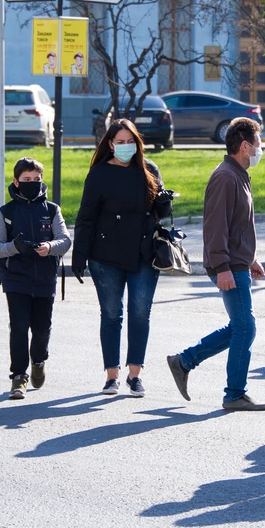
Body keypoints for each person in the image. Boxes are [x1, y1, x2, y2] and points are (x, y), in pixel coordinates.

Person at [166, 117, 265, 411]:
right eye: (258, 144)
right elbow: (216, 226)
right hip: (228, 267)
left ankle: (184, 361)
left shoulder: (237, 173)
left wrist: (250, 258)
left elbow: (237, 225)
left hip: (237, 263)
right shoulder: (226, 176)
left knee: (242, 327)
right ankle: (234, 393)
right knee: (245, 327)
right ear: (244, 146)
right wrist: (222, 266)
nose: (260, 149)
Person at [72, 120, 173, 397]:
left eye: (130, 141)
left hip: (143, 253)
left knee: (140, 312)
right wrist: (79, 255)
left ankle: (135, 374)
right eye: (120, 141)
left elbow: (160, 212)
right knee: (111, 314)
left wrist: (165, 201)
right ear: (110, 144)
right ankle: (112, 375)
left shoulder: (148, 169)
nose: (125, 146)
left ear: (137, 144)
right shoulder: (99, 174)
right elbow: (86, 216)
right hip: (105, 255)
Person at [0, 157, 71, 400]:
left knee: (42, 328)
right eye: (26, 180)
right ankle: (18, 376)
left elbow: (65, 240)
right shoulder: (7, 212)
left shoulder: (52, 209)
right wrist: (14, 247)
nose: (32, 183)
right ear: (16, 181)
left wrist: (49, 246)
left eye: (37, 179)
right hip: (16, 278)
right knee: (19, 327)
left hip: (45, 277)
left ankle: (39, 361)